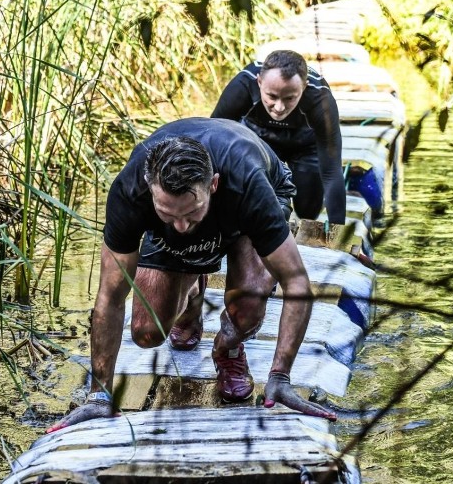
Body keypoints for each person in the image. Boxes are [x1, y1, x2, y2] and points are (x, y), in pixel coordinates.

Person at [47, 117, 336, 433]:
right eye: (167, 213)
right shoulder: (130, 191)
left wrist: (280, 377)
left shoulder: (248, 183)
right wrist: (99, 395)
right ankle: (191, 299)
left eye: (190, 212)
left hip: (249, 197)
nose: (181, 226)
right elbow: (110, 295)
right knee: (147, 332)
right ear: (150, 189)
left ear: (212, 185)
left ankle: (230, 348)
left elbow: (296, 281)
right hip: (196, 204)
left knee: (248, 306)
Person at [211, 49, 346, 225]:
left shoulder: (320, 99)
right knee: (256, 200)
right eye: (271, 96)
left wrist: (339, 233)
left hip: (306, 145)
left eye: (289, 98)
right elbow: (212, 142)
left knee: (307, 211)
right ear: (259, 82)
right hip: (261, 140)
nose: (279, 107)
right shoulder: (244, 84)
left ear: (304, 87)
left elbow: (331, 171)